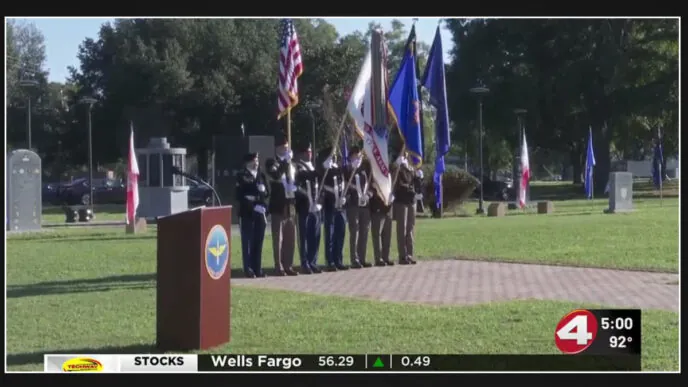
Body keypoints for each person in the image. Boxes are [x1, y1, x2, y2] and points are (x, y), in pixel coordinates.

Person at [265, 136, 299, 276]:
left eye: (287, 147)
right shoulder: (271, 162)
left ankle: (288, 264)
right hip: (278, 204)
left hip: (290, 203)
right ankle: (278, 265)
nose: (286, 149)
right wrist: (285, 162)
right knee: (278, 237)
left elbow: (296, 179)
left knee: (290, 236)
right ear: (277, 148)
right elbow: (276, 175)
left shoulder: (291, 164)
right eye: (284, 147)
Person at [235, 152, 269, 278]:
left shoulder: (261, 175)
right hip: (247, 212)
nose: (257, 162)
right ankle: (248, 268)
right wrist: (255, 193)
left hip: (260, 212)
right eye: (255, 160)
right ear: (248, 162)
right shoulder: (241, 175)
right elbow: (240, 194)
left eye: (258, 160)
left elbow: (267, 193)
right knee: (247, 242)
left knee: (258, 241)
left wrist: (263, 196)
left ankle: (257, 268)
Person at [294, 142, 323, 274]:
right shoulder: (298, 167)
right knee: (304, 236)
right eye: (307, 152)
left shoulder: (313, 167)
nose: (309, 154)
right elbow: (301, 180)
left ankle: (313, 261)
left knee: (315, 236)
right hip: (304, 207)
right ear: (301, 154)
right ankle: (304, 262)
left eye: (310, 151)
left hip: (316, 207)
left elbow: (320, 182)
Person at [318, 149, 348, 271]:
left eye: (336, 155)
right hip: (330, 204)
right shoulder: (324, 169)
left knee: (340, 234)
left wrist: (345, 197)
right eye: (332, 155)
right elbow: (320, 179)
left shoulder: (339, 169)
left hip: (341, 205)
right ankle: (329, 261)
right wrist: (324, 167)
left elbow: (344, 183)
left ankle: (338, 259)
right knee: (330, 234)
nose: (335, 157)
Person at [343, 147, 372, 268]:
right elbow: (344, 185)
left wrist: (369, 195)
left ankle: (362, 258)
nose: (359, 158)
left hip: (364, 205)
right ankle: (354, 259)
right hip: (353, 204)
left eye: (360, 156)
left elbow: (370, 185)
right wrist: (351, 167)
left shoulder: (364, 170)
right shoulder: (347, 170)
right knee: (354, 232)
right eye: (356, 156)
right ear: (351, 157)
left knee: (364, 232)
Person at [391, 151, 418, 265]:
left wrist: (416, 175)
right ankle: (402, 256)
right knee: (402, 228)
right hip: (401, 201)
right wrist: (397, 165)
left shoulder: (410, 168)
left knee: (410, 228)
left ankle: (410, 254)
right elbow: (396, 182)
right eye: (404, 153)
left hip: (411, 201)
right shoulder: (397, 168)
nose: (406, 155)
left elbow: (415, 183)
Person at [369, 183, 394, 266]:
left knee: (387, 233)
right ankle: (378, 258)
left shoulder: (388, 173)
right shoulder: (374, 171)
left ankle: (386, 257)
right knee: (377, 234)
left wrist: (392, 195)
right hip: (377, 205)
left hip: (388, 206)